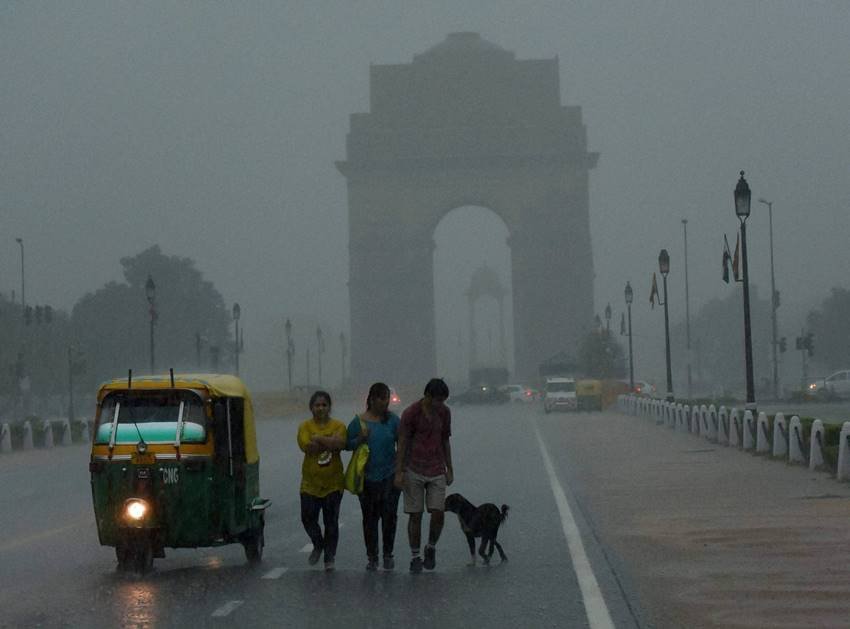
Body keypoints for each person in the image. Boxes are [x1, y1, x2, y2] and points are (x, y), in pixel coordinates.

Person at [394, 378, 453, 573]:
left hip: (436, 468)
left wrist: (449, 468)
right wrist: (399, 471)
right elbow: (402, 442)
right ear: (427, 396)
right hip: (414, 468)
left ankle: (431, 546)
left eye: (443, 401)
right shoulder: (411, 413)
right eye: (437, 400)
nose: (440, 405)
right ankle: (415, 556)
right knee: (415, 515)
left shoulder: (444, 413)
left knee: (438, 512)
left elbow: (445, 440)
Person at [347, 382, 402, 571]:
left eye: (387, 397)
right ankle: (372, 556)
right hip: (367, 477)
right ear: (371, 399)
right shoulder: (358, 422)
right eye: (381, 398)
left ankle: (387, 554)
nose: (385, 402)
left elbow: (402, 444)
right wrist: (359, 439)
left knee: (389, 517)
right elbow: (347, 444)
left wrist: (400, 472)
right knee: (370, 519)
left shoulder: (393, 421)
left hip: (389, 475)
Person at [297, 390, 347, 571]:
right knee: (308, 518)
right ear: (311, 408)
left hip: (334, 483)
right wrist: (329, 440)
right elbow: (307, 447)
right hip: (310, 483)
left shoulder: (339, 425)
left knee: (331, 522)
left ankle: (329, 557)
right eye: (317, 405)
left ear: (329, 407)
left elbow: (340, 444)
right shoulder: (304, 427)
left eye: (324, 405)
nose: (320, 408)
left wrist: (318, 438)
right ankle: (318, 544)